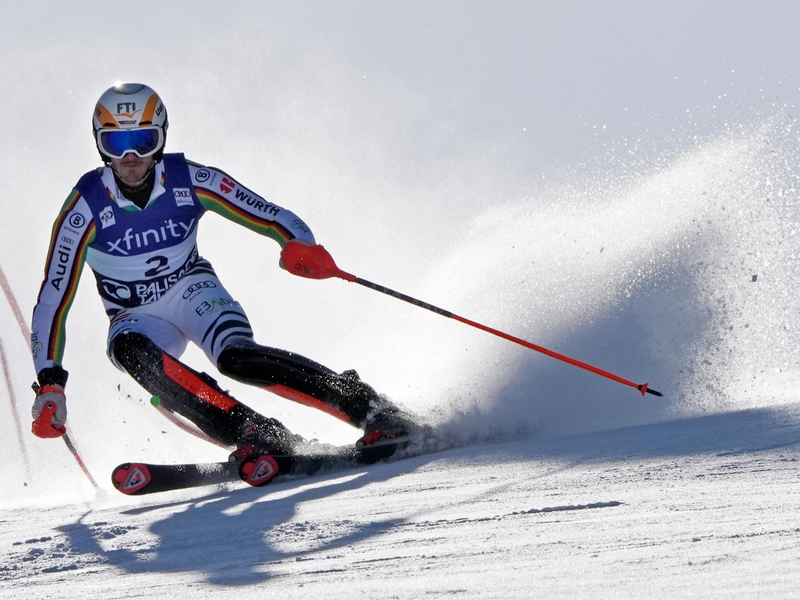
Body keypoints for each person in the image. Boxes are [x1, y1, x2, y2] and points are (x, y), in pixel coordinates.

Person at [30, 82, 414, 481]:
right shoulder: (84, 207)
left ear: (161, 139)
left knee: (235, 358)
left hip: (192, 290)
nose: (130, 157)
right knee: (129, 351)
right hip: (137, 315)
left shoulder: (189, 179)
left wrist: (299, 244)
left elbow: (268, 212)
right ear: (99, 145)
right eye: (116, 143)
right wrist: (50, 383)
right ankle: (253, 431)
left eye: (143, 141)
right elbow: (53, 298)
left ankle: (372, 409)